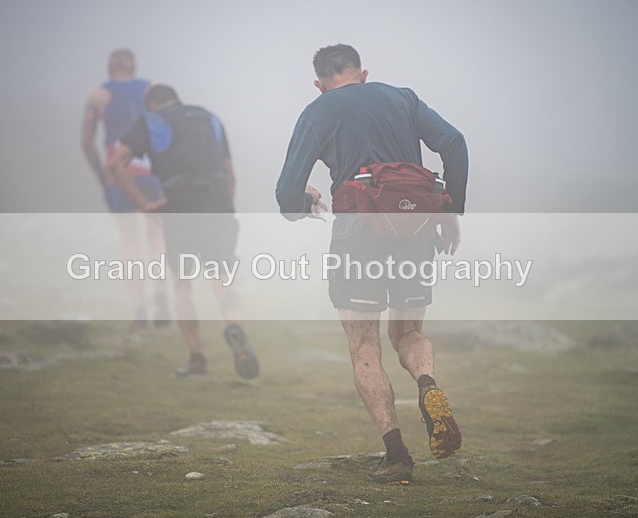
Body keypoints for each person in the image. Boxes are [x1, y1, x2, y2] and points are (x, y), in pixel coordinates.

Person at [276, 44, 468, 482]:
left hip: (358, 232)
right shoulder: (403, 97)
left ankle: (397, 454)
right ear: (363, 74)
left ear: (320, 84)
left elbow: (286, 195)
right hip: (416, 228)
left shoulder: (318, 110)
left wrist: (303, 199)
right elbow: (454, 143)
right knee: (409, 332)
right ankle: (427, 384)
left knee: (365, 344)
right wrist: (449, 211)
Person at [109, 84, 259, 380]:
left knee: (182, 283)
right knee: (222, 276)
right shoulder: (210, 118)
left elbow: (116, 162)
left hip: (180, 206)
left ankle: (196, 359)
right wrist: (226, 207)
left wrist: (145, 205)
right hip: (218, 205)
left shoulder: (150, 121)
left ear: (151, 104)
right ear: (176, 98)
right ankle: (235, 326)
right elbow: (230, 172)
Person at [81, 48, 170, 326]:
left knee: (130, 243)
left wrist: (102, 175)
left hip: (118, 171)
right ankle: (160, 291)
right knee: (157, 237)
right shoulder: (151, 90)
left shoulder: (99, 96)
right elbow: (167, 128)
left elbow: (86, 142)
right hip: (151, 170)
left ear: (110, 67)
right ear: (134, 66)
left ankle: (138, 308)